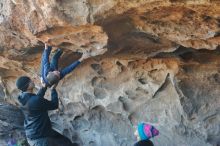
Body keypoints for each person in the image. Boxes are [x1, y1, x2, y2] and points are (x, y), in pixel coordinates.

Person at [16, 76, 76, 146]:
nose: (32, 81)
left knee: (66, 142)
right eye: (30, 81)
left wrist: (43, 88)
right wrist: (53, 90)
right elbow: (54, 105)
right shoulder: (34, 100)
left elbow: (35, 100)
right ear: (28, 85)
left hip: (35, 135)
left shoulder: (22, 98)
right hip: (42, 139)